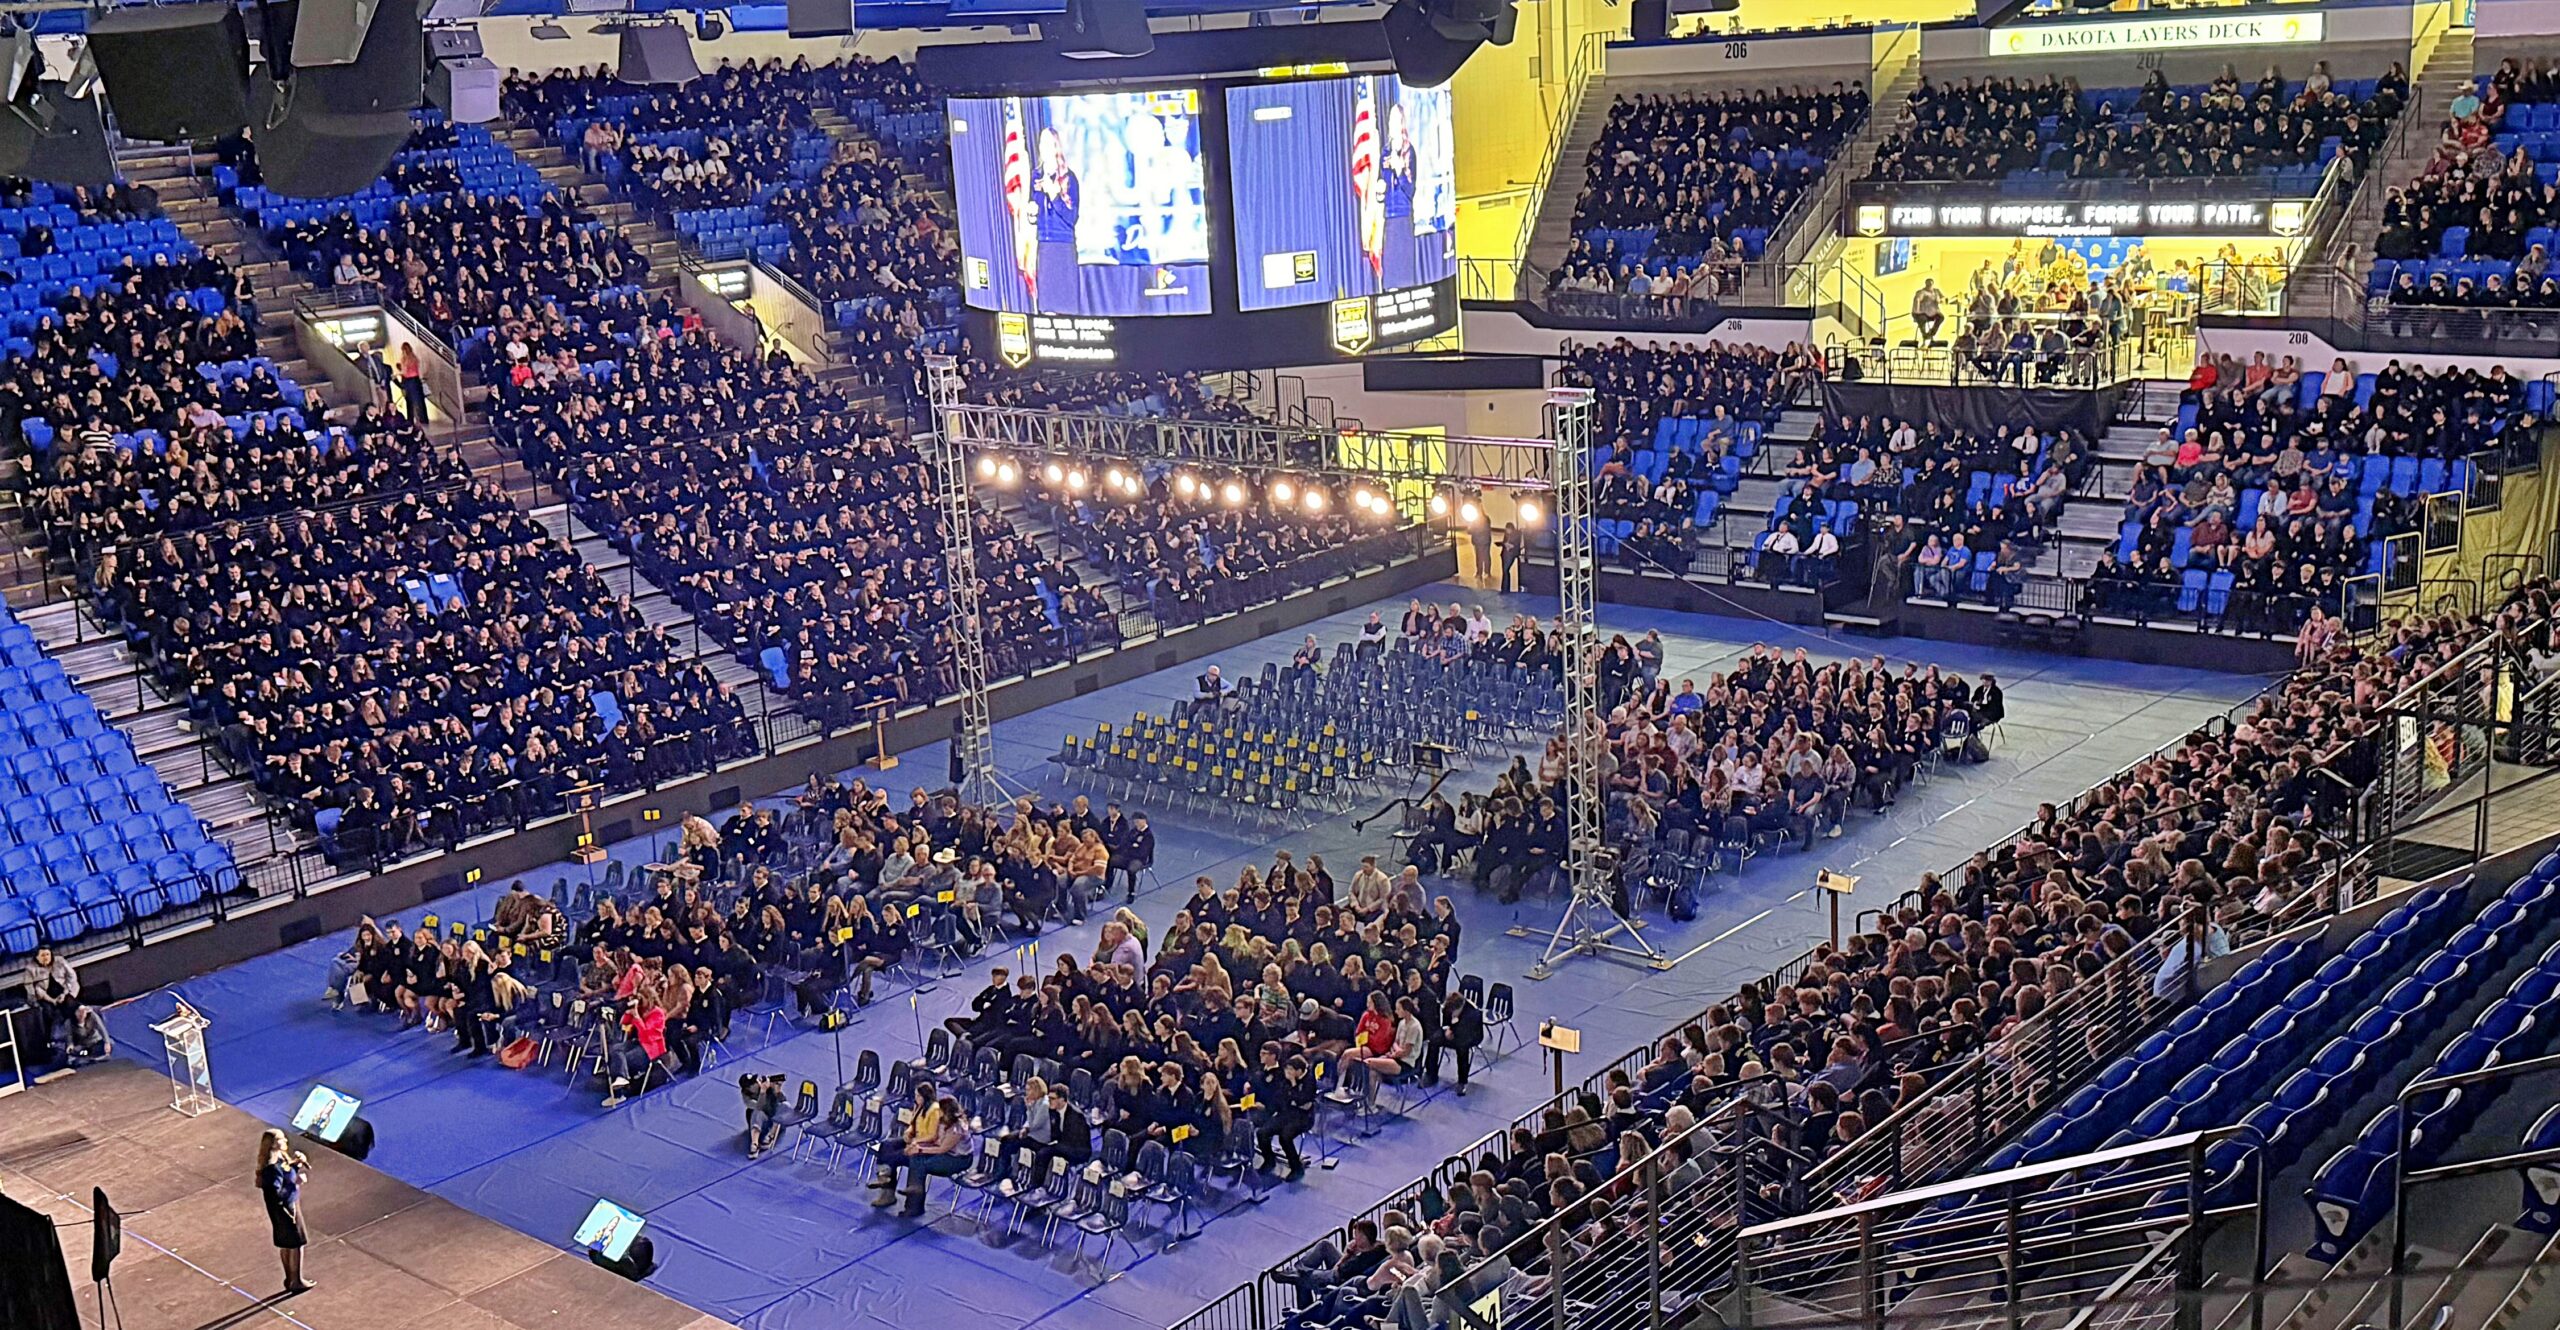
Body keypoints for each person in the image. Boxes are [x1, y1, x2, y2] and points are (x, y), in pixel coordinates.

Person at [257, 1129, 315, 1294]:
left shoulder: (281, 1158)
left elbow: (287, 1172)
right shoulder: (272, 1168)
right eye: (282, 1139)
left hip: (288, 1206)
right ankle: (296, 1280)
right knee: (295, 1243)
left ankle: (291, 1278)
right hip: (287, 1209)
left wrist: (296, 1164)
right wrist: (296, 1183)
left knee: (287, 1243)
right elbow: (275, 1192)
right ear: (275, 1143)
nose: (286, 1141)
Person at [27, 946, 80, 1052]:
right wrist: (52, 1000)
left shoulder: (60, 961)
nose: (45, 957)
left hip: (65, 991)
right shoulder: (32, 969)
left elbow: (72, 977)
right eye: (42, 955)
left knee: (70, 1006)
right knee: (47, 1013)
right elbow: (37, 989)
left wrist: (65, 994)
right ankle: (49, 1042)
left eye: (47, 954)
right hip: (47, 997)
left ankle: (78, 1034)